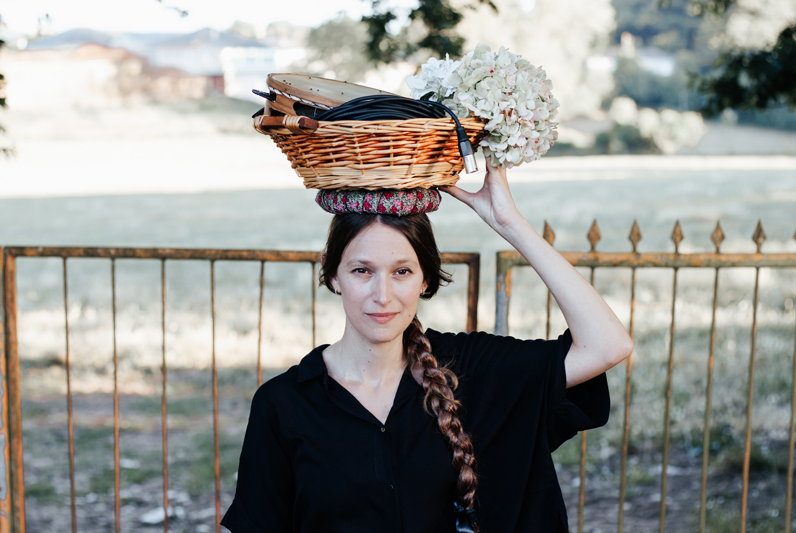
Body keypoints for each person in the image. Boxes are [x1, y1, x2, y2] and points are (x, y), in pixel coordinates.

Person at [221, 160, 633, 532]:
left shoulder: (472, 370)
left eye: (401, 271)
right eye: (362, 270)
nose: (382, 295)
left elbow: (607, 345)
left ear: (425, 279)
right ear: (333, 277)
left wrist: (509, 224)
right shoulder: (283, 405)